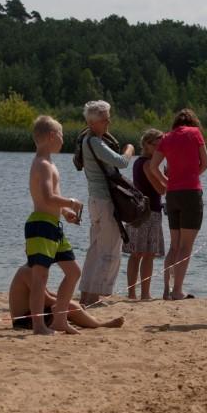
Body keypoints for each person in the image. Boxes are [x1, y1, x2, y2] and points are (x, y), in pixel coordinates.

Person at [25, 115, 83, 335]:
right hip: (41, 225)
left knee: (73, 272)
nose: (63, 139)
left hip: (53, 225)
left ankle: (59, 320)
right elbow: (48, 197)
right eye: (61, 135)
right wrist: (71, 202)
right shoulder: (42, 164)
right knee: (40, 277)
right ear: (51, 136)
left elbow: (52, 198)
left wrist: (66, 212)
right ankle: (39, 325)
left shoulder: (49, 164)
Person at [78, 100, 134, 307]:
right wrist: (130, 149)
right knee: (109, 250)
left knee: (95, 249)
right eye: (104, 120)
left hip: (95, 201)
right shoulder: (94, 142)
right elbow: (122, 162)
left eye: (108, 118)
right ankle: (94, 298)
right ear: (92, 123)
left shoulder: (85, 139)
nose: (108, 123)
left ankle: (86, 295)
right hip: (104, 201)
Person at [150, 109, 207, 300]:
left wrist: (167, 182)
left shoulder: (166, 137)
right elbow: (205, 163)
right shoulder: (195, 133)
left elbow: (153, 167)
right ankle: (177, 290)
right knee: (186, 246)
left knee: (174, 246)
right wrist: (192, 176)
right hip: (191, 193)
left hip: (172, 194)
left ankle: (166, 290)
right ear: (193, 123)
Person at [8, 265, 125, 329]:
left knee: (68, 304)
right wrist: (68, 304)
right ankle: (100, 325)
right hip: (24, 321)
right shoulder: (28, 271)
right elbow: (46, 299)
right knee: (68, 306)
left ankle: (91, 320)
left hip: (29, 316)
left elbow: (48, 293)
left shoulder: (31, 269)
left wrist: (70, 301)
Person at [123, 129, 166, 300]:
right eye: (158, 145)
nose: (161, 149)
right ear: (147, 145)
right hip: (148, 212)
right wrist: (168, 177)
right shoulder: (148, 164)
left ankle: (133, 293)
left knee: (138, 255)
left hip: (140, 212)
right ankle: (144, 294)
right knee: (146, 255)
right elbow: (160, 189)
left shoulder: (138, 162)